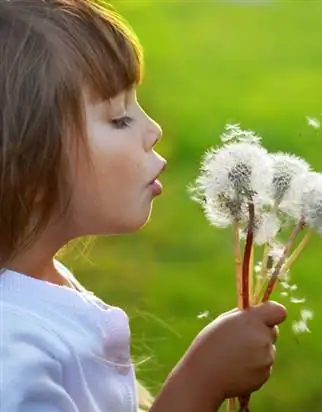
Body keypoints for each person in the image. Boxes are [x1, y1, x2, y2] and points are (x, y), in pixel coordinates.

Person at [0, 1, 288, 411]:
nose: (153, 130)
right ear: (25, 163)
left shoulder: (38, 282)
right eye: (118, 118)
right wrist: (201, 380)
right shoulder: (11, 359)